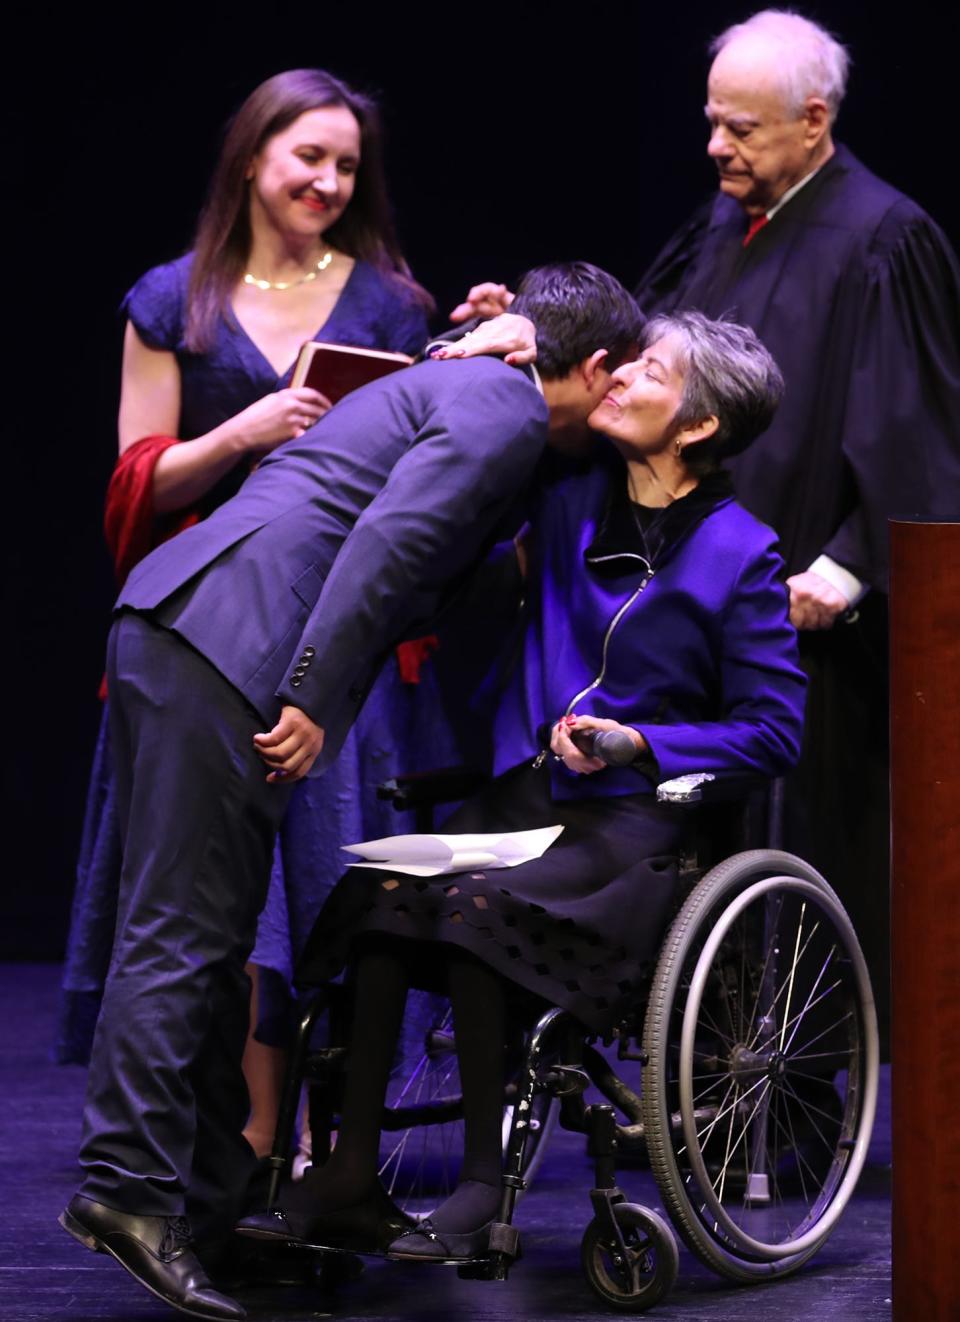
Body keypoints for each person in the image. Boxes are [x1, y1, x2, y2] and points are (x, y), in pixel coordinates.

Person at [58, 262, 645, 1321]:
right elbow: (393, 541)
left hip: (190, 623)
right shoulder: (502, 401)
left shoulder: (467, 386)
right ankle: (130, 1192)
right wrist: (316, 690)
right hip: (233, 640)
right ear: (595, 369)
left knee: (210, 929)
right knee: (183, 932)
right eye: (622, 384)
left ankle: (213, 1202)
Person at [239, 310, 806, 1265]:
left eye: (649, 372)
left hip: (641, 828)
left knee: (469, 904)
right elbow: (526, 388)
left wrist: (640, 741)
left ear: (699, 425)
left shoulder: (741, 552)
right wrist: (506, 332)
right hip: (530, 800)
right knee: (387, 891)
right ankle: (347, 1173)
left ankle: (477, 1185)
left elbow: (774, 729)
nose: (619, 379)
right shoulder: (567, 497)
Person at [452, 11, 960, 1044]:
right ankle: (677, 1084)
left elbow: (919, 428)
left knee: (811, 856)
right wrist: (533, 333)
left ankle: (795, 1107)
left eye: (743, 129)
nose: (717, 147)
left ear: (814, 121)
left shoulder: (885, 237)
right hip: (674, 593)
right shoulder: (724, 223)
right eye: (712, 123)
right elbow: (631, 358)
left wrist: (851, 567)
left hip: (803, 612)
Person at [55, 68, 445, 1154]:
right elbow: (137, 488)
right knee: (222, 909)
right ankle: (241, 1146)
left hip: (339, 633)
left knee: (333, 891)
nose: (327, 180)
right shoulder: (175, 299)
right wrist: (247, 432)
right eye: (307, 156)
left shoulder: (392, 303)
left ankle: (335, 1147)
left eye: (346, 165)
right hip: (212, 633)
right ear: (251, 158)